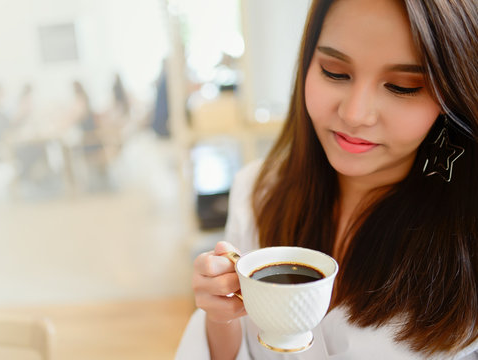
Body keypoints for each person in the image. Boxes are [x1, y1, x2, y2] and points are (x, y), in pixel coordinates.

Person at [176, 0, 478, 359]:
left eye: (402, 86)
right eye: (335, 72)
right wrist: (219, 312)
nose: (354, 114)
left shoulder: (467, 234)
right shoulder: (257, 191)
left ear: (451, 94)